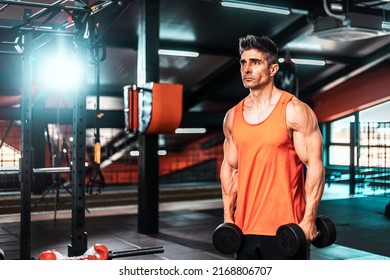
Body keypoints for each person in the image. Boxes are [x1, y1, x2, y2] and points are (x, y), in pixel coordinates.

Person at [220, 35, 325, 260]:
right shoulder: (232, 117)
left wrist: (308, 220)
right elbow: (230, 169)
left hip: (286, 230)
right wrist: (228, 217)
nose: (246, 69)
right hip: (244, 229)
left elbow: (315, 167)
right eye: (243, 62)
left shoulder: (294, 111)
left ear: (273, 69)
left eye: (255, 62)